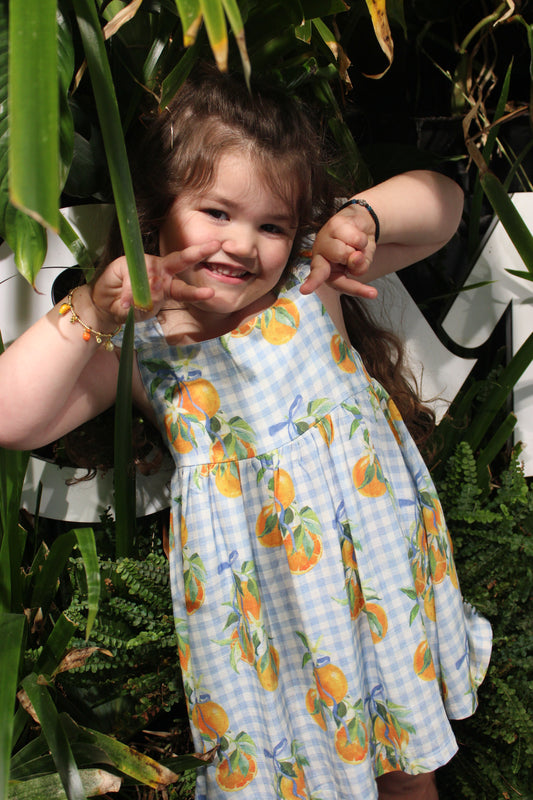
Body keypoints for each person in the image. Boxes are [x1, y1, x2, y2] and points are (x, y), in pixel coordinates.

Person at [0, 68, 491, 800]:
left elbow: (443, 204)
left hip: (378, 585)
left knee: (408, 775)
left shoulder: (309, 279)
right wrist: (92, 312)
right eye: (216, 212)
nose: (242, 244)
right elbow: (12, 417)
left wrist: (359, 217)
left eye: (271, 225)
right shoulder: (146, 347)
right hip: (262, 624)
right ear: (159, 209)